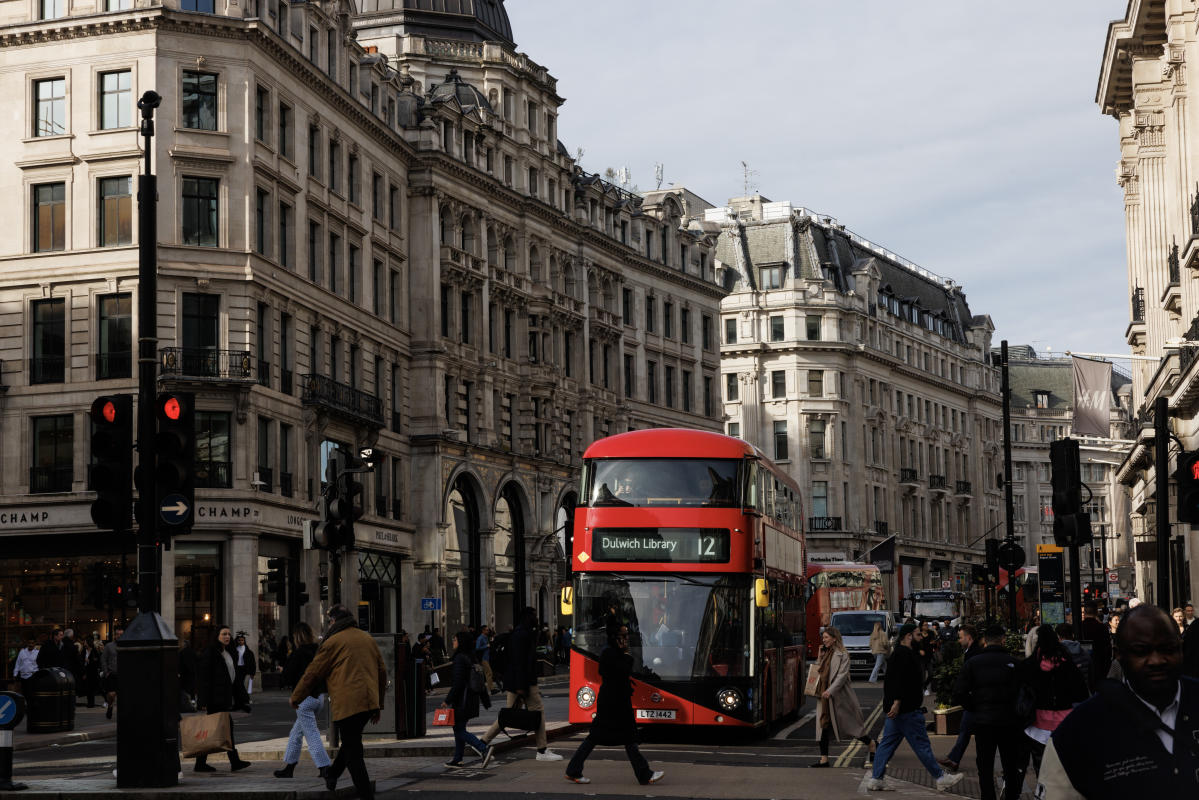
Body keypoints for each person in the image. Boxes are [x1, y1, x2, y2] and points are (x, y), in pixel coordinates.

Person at [1038, 604, 1199, 797]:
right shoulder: (1079, 731)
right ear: (1119, 655)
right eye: (1141, 651)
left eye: (1167, 649)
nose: (1156, 660)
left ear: (1181, 649)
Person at [291, 605, 387, 800]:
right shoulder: (366, 638)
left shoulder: (332, 642)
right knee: (351, 743)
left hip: (348, 704)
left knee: (354, 754)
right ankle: (333, 774)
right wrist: (379, 704)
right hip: (368, 702)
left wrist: (297, 696)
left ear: (334, 621)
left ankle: (366, 796)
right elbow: (382, 671)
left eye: (330, 621)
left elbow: (313, 673)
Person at [564, 621, 663, 785]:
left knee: (621, 738)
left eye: (626, 635)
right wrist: (626, 655)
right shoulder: (610, 653)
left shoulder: (612, 652)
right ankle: (644, 774)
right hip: (614, 703)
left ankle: (573, 769)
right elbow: (622, 670)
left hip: (615, 701)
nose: (626, 639)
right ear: (615, 637)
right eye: (623, 636)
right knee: (620, 737)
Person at [867, 623, 962, 792]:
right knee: (921, 745)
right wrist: (897, 702)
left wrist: (894, 703)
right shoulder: (904, 655)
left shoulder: (900, 653)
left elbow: (893, 680)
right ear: (908, 636)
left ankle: (876, 779)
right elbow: (899, 681)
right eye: (918, 635)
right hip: (906, 710)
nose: (921, 638)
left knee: (887, 744)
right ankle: (940, 777)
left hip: (897, 710)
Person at [478, 607, 563, 766]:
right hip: (523, 682)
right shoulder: (521, 635)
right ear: (527, 617)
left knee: (508, 715)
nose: (536, 618)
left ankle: (482, 743)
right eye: (534, 615)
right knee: (538, 712)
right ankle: (542, 750)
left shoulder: (523, 633)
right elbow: (519, 662)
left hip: (519, 682)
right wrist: (521, 686)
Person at [953, 624, 1025, 800]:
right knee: (1010, 764)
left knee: (985, 765)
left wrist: (974, 707)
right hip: (1009, 721)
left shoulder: (973, 663)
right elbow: (1024, 693)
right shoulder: (1015, 663)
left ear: (984, 641)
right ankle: (1012, 796)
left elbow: (959, 693)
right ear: (1003, 640)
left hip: (983, 721)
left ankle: (988, 796)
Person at [1019, 625, 1087, 782]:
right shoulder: (1066, 662)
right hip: (1065, 720)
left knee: (1041, 765)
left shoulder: (1030, 665)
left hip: (1038, 723)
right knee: (1064, 766)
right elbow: (1081, 692)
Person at [810, 627, 876, 768]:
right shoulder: (825, 653)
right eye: (823, 638)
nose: (824, 640)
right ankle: (824, 760)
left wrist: (830, 690)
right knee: (823, 726)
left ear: (834, 638)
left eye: (826, 637)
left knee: (851, 727)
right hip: (824, 696)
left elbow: (841, 676)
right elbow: (818, 671)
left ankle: (871, 743)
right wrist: (819, 657)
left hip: (839, 696)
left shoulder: (843, 654)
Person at [273, 622, 330, 779]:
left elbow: (288, 677)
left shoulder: (298, 653)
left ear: (297, 637)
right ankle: (289, 767)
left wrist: (283, 670)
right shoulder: (318, 651)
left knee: (311, 734)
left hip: (304, 700)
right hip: (319, 698)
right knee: (296, 733)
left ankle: (324, 766)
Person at [194, 625, 252, 773]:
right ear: (217, 636)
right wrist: (203, 701)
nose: (227, 636)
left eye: (228, 634)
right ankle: (234, 762)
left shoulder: (227, 652)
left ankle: (203, 763)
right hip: (215, 698)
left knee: (219, 730)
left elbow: (233, 678)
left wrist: (242, 699)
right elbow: (204, 678)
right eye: (224, 634)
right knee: (223, 729)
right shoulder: (211, 652)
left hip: (223, 698)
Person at [443, 630, 489, 769]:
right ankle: (458, 759)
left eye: (455, 639)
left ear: (461, 642)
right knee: (459, 728)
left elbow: (458, 683)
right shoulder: (472, 657)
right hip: (471, 699)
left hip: (462, 700)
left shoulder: (459, 659)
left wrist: (447, 700)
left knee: (459, 730)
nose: (453, 642)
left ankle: (483, 748)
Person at [939, 624, 982, 771]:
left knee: (969, 732)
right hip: (973, 700)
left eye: (961, 637)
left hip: (974, 700)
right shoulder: (971, 651)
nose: (959, 640)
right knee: (965, 731)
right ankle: (954, 759)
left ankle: (955, 759)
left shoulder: (973, 653)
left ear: (968, 637)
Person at [1080, 601, 1113, 690]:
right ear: (1096, 612)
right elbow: (1107, 648)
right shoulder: (1102, 628)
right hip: (1099, 664)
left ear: (1085, 612)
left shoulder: (1079, 627)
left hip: (1082, 665)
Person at [233, 631, 257, 710]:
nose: (240, 641)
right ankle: (242, 699)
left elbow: (252, 662)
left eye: (242, 640)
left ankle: (245, 699)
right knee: (238, 684)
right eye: (239, 640)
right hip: (236, 668)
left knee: (239, 683)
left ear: (244, 641)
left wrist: (252, 672)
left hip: (243, 669)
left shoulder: (248, 651)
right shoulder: (235, 649)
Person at [475, 625, 495, 694]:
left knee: (486, 673)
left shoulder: (486, 637)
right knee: (489, 673)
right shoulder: (480, 638)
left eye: (488, 630)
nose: (488, 631)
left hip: (487, 657)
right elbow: (477, 648)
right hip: (483, 658)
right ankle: (491, 689)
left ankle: (489, 688)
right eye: (486, 630)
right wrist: (486, 646)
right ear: (483, 631)